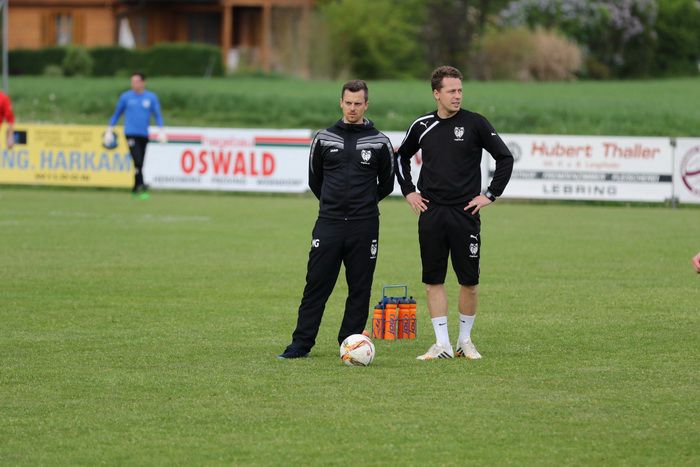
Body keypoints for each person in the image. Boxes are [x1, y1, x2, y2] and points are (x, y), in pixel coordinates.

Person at [395, 66, 514, 361]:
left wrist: (490, 194)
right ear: (437, 93)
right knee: (433, 280)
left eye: (460, 90)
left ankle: (464, 341)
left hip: (465, 213)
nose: (457, 96)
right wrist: (409, 190)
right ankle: (442, 345)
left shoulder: (475, 123)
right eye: (451, 91)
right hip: (432, 211)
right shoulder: (422, 125)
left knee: (469, 282)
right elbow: (400, 156)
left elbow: (505, 157)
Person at [278, 80, 395, 359]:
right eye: (348, 103)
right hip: (329, 223)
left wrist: (362, 205)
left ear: (366, 105)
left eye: (358, 103)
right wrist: (333, 205)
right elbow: (314, 180)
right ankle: (301, 344)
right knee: (316, 285)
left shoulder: (380, 142)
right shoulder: (323, 138)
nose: (352, 108)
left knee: (360, 288)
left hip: (364, 224)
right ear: (341, 103)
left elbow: (387, 184)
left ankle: (350, 343)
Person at [107, 72, 165, 199]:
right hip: (130, 134)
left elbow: (157, 115)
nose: (134, 84)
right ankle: (142, 187)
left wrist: (161, 130)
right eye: (132, 81)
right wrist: (109, 129)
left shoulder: (151, 97)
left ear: (143, 82)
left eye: (136, 81)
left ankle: (134, 188)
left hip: (143, 134)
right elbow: (117, 114)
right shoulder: (126, 97)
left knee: (140, 163)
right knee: (137, 160)